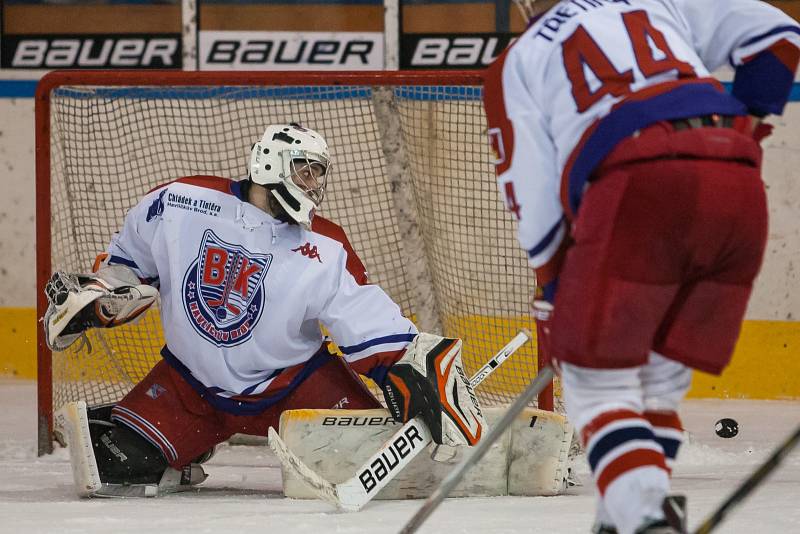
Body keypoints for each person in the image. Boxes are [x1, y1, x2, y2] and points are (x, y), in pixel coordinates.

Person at [484, 1, 800, 533]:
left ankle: (645, 520)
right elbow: (782, 36)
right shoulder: (655, 2)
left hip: (641, 185)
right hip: (738, 182)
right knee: (657, 383)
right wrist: (748, 118)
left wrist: (555, 286)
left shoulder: (519, 59)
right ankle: (623, 515)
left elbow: (532, 194)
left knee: (597, 385)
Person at [44, 123, 485, 497]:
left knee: (388, 469)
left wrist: (407, 364)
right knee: (114, 463)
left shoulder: (326, 246)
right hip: (191, 384)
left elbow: (364, 316)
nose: (313, 184)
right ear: (269, 163)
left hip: (296, 388)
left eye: (318, 174)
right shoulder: (180, 201)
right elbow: (127, 264)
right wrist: (101, 297)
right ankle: (180, 440)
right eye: (304, 170)